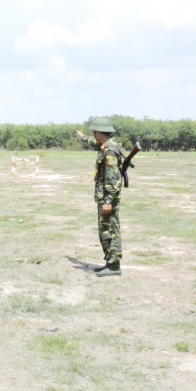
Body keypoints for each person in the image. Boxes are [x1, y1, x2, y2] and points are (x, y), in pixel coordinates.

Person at [76, 117, 124, 277]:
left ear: (98, 132)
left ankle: (114, 265)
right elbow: (95, 143)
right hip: (105, 197)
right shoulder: (107, 145)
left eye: (94, 133)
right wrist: (83, 138)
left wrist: (108, 201)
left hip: (108, 198)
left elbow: (113, 178)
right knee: (106, 229)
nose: (93, 135)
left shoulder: (109, 151)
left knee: (110, 230)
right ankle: (110, 263)